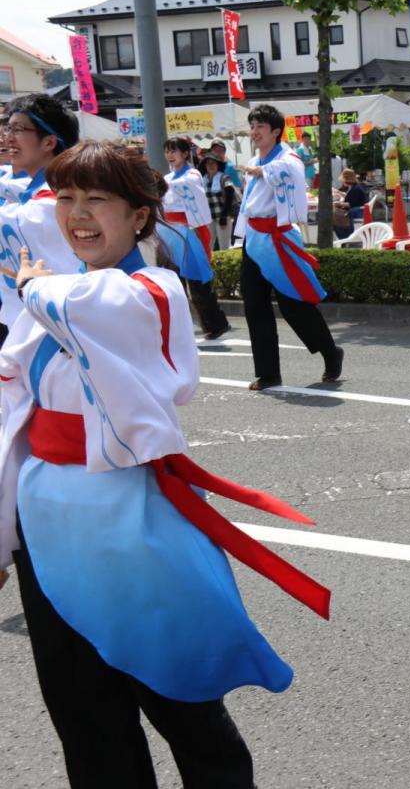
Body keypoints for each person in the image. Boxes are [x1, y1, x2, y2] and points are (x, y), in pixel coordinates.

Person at [0, 141, 331, 787]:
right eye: (65, 197)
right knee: (85, 720)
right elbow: (14, 424)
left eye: (98, 199)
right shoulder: (55, 294)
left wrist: (34, 282)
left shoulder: (148, 289)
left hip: (128, 522)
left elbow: (85, 305)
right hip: (46, 524)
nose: (78, 214)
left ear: (140, 216)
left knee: (181, 697)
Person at [234, 104, 342, 391]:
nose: (254, 132)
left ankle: (330, 351)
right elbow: (248, 203)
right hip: (254, 239)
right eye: (252, 126)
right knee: (254, 306)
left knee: (293, 304)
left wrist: (262, 170)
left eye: (260, 127)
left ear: (276, 131)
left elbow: (290, 170)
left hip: (278, 238)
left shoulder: (286, 157)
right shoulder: (254, 161)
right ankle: (268, 373)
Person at [0, 94, 81, 335]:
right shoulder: (33, 190)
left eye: (18, 129)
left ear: (49, 142)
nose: (8, 137)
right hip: (34, 326)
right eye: (7, 128)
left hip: (55, 332)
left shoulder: (56, 197)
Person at [160, 137, 230, 340]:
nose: (169, 156)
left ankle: (215, 324)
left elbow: (191, 198)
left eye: (174, 151)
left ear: (184, 154)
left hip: (189, 230)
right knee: (172, 281)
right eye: (167, 151)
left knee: (197, 281)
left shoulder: (191, 175)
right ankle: (178, 327)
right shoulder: (167, 178)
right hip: (170, 231)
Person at [201, 153, 238, 250]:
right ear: (205, 166)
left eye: (213, 163)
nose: (211, 166)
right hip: (209, 218)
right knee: (208, 246)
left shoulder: (224, 177)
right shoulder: (203, 180)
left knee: (224, 246)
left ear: (218, 165)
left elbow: (230, 193)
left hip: (223, 217)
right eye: (208, 164)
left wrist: (224, 216)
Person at [333, 169, 367, 239]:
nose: (342, 182)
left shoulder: (355, 189)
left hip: (359, 210)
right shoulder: (354, 187)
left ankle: (345, 236)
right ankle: (344, 236)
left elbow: (350, 204)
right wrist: (340, 193)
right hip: (358, 207)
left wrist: (339, 203)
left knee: (337, 215)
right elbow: (351, 198)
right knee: (337, 213)